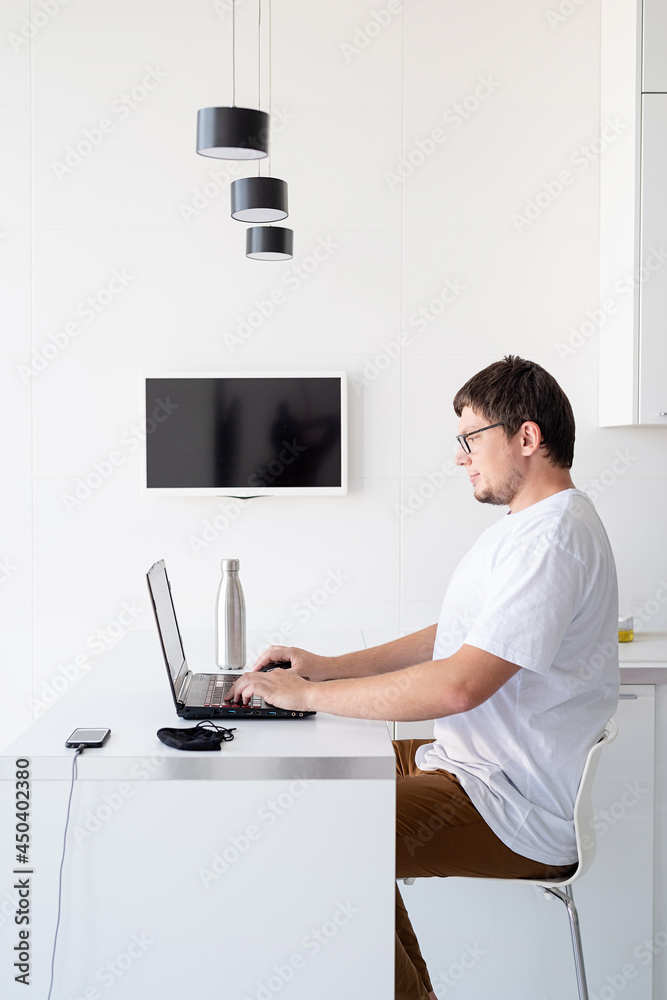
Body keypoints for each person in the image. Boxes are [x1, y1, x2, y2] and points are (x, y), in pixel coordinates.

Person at [227, 355, 620, 1000]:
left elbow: (458, 685)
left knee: (323, 832)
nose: (461, 457)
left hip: (507, 806)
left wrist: (308, 695)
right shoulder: (528, 529)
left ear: (527, 437)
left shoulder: (552, 539)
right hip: (477, 768)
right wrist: (324, 668)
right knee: (325, 784)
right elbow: (453, 639)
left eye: (471, 439)